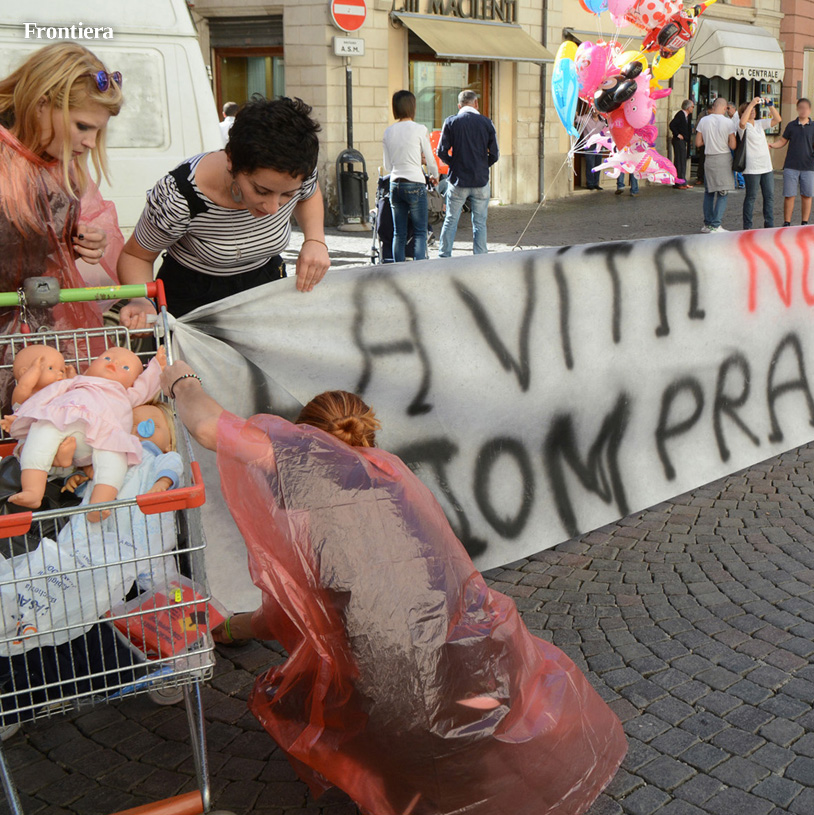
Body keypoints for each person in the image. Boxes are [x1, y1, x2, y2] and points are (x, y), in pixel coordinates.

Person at [162, 368, 627, 815]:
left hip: (395, 696)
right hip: (476, 664)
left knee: (286, 696)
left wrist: (181, 378)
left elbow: (207, 428)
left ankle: (394, 782)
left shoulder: (312, 490)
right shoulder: (390, 480)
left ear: (305, 444)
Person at [116, 97, 330, 324]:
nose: (273, 208)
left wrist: (315, 240)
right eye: (261, 191)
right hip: (193, 297)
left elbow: (309, 194)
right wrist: (141, 301)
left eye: (287, 194)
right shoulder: (178, 197)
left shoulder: (298, 169)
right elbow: (136, 256)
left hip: (265, 283)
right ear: (231, 161)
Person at [0, 43, 124, 339]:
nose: (91, 142)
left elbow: (30, 261)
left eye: (98, 131)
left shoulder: (59, 167)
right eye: (82, 126)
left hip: (37, 329)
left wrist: (73, 241)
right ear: (41, 105)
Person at [436, 90, 498, 258]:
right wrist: (482, 165)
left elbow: (441, 151)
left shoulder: (451, 122)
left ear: (459, 106)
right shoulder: (487, 123)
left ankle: (444, 256)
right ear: (476, 103)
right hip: (480, 180)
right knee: (480, 223)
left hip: (458, 180)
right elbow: (495, 154)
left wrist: (454, 163)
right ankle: (480, 257)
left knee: (450, 220)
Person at [382, 91, 439, 263]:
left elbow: (387, 166)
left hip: (395, 183)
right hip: (415, 182)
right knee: (420, 231)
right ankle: (418, 269)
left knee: (398, 233)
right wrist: (434, 175)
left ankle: (398, 269)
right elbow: (430, 158)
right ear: (412, 106)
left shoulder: (388, 132)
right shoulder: (420, 129)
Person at [769, 98, 814, 227]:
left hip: (808, 166)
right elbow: (782, 141)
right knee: (789, 195)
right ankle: (787, 222)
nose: (803, 111)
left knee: (807, 195)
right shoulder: (791, 126)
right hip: (791, 165)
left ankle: (804, 222)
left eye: (806, 108)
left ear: (810, 110)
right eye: (801, 108)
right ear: (797, 109)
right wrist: (772, 145)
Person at [693, 97, 737, 233]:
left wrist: (709, 141)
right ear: (724, 108)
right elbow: (733, 145)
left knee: (709, 192)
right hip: (723, 158)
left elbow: (698, 143)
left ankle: (707, 224)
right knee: (723, 193)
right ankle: (716, 225)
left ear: (714, 106)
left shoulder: (704, 120)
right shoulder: (728, 122)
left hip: (709, 158)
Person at [738, 97, 780, 230]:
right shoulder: (743, 127)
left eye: (754, 109)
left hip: (766, 166)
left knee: (769, 196)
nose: (752, 111)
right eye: (749, 110)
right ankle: (747, 227)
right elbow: (742, 122)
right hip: (752, 168)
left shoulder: (759, 123)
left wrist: (770, 105)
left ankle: (769, 225)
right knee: (751, 197)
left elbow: (777, 119)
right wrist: (751, 104)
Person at [669, 100, 694, 189]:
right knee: (679, 161)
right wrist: (678, 134)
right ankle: (678, 183)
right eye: (692, 107)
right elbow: (672, 125)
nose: (693, 108)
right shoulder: (680, 115)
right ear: (688, 107)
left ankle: (683, 181)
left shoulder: (687, 116)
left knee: (683, 161)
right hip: (678, 141)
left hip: (683, 141)